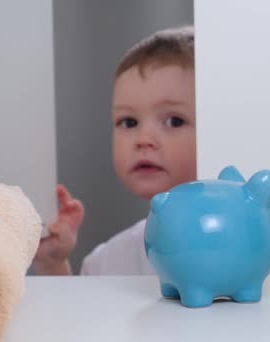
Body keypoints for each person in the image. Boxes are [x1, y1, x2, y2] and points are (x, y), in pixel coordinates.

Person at [34, 26, 196, 275]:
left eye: (174, 121)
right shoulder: (108, 261)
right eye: (129, 122)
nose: (143, 139)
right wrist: (53, 263)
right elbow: (79, 312)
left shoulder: (251, 247)